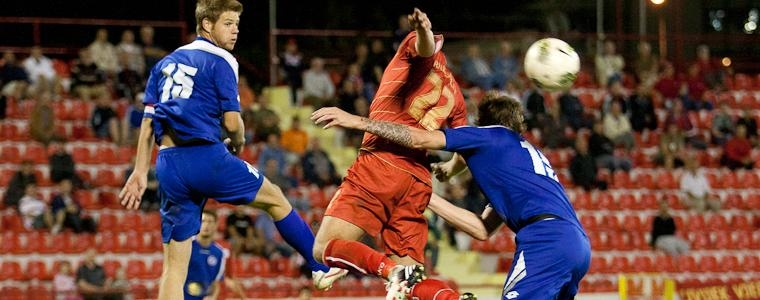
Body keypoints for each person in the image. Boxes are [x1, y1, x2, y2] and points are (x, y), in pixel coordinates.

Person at [118, 1, 345, 299]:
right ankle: (318, 267)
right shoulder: (221, 59)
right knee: (275, 199)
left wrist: (138, 170)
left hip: (169, 164)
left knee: (174, 268)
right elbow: (233, 122)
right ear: (207, 25)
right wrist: (238, 142)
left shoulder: (165, 63)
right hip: (205, 157)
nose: (235, 29)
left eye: (237, 23)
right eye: (228, 22)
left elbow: (148, 120)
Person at [312, 93, 591, 300]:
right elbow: (481, 229)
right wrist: (428, 196)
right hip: (576, 243)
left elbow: (421, 139)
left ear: (482, 123)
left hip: (546, 240)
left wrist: (356, 121)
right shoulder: (519, 161)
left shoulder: (491, 135)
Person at [309, 8, 468, 297]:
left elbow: (425, 48)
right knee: (412, 284)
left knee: (322, 249)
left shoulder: (415, 53)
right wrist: (450, 170)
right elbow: (464, 149)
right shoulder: (456, 95)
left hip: (381, 163)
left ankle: (391, 271)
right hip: (418, 181)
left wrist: (422, 30)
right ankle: (449, 297)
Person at [184, 210, 228, 299]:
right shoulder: (186, 246)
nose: (206, 225)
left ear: (216, 225)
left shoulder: (219, 253)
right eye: (203, 221)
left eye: (210, 222)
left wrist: (212, 298)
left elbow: (215, 283)